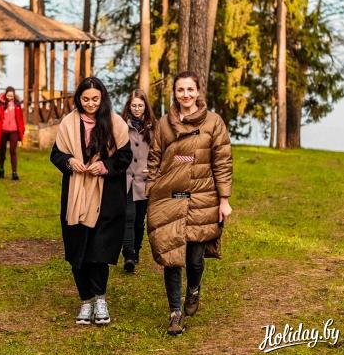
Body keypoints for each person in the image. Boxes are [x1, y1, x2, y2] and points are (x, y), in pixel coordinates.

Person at [146, 71, 233, 336]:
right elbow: (155, 158)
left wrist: (224, 200)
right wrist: (151, 190)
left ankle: (193, 289)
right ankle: (175, 313)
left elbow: (222, 162)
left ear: (198, 91)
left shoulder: (214, 122)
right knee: (171, 256)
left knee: (195, 259)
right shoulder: (164, 124)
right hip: (170, 196)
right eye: (180, 90)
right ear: (174, 93)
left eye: (190, 89)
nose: (185, 95)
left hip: (201, 197)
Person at [50, 76, 132, 326]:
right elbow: (56, 154)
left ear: (102, 98)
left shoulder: (115, 123)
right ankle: (85, 300)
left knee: (98, 251)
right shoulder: (68, 123)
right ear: (79, 99)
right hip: (75, 196)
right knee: (78, 250)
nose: (90, 104)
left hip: (105, 196)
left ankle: (100, 299)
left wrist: (105, 166)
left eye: (95, 99)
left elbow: (124, 156)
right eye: (85, 99)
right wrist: (69, 161)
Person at [121, 89, 156, 273]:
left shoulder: (153, 127)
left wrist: (153, 169)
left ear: (145, 107)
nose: (136, 109)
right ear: (129, 107)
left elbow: (158, 152)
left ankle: (136, 250)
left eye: (140, 105)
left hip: (144, 179)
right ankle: (128, 254)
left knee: (138, 220)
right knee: (128, 216)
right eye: (133, 105)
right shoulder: (121, 126)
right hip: (126, 178)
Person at [0, 86, 25, 180]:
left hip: (14, 131)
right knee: (2, 151)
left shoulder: (17, 105)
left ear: (14, 95)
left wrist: (22, 130)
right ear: (5, 95)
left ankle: (14, 173)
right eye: (8, 96)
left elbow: (20, 119)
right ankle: (1, 169)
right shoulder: (0, 104)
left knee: (13, 151)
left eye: (12, 96)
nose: (10, 98)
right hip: (3, 131)